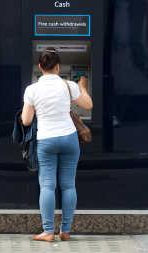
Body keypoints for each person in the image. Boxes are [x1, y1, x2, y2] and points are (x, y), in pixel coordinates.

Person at [20, 48, 93, 242]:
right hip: (69, 138)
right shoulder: (68, 85)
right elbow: (88, 105)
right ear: (58, 67)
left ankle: (48, 232)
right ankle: (66, 230)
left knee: (47, 186)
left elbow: (26, 121)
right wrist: (82, 86)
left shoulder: (32, 89)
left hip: (46, 141)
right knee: (68, 185)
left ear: (40, 67)